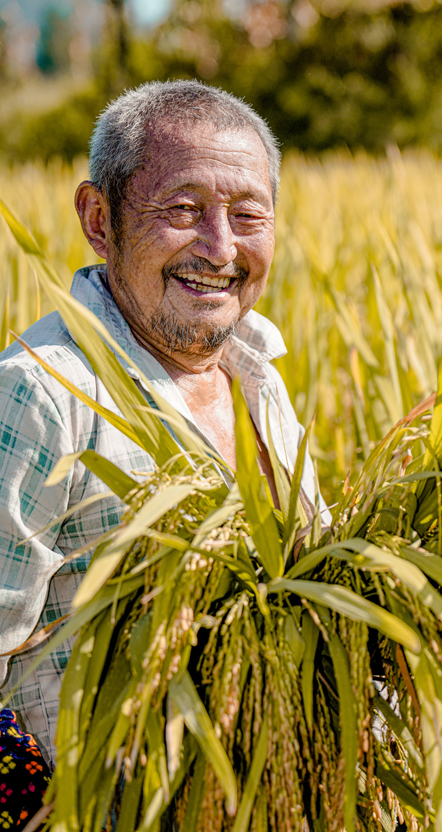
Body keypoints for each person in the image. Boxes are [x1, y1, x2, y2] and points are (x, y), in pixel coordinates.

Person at [0, 80, 327, 778]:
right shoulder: (41, 392)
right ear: (99, 219)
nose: (220, 248)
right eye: (183, 209)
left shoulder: (259, 379)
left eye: (248, 214)